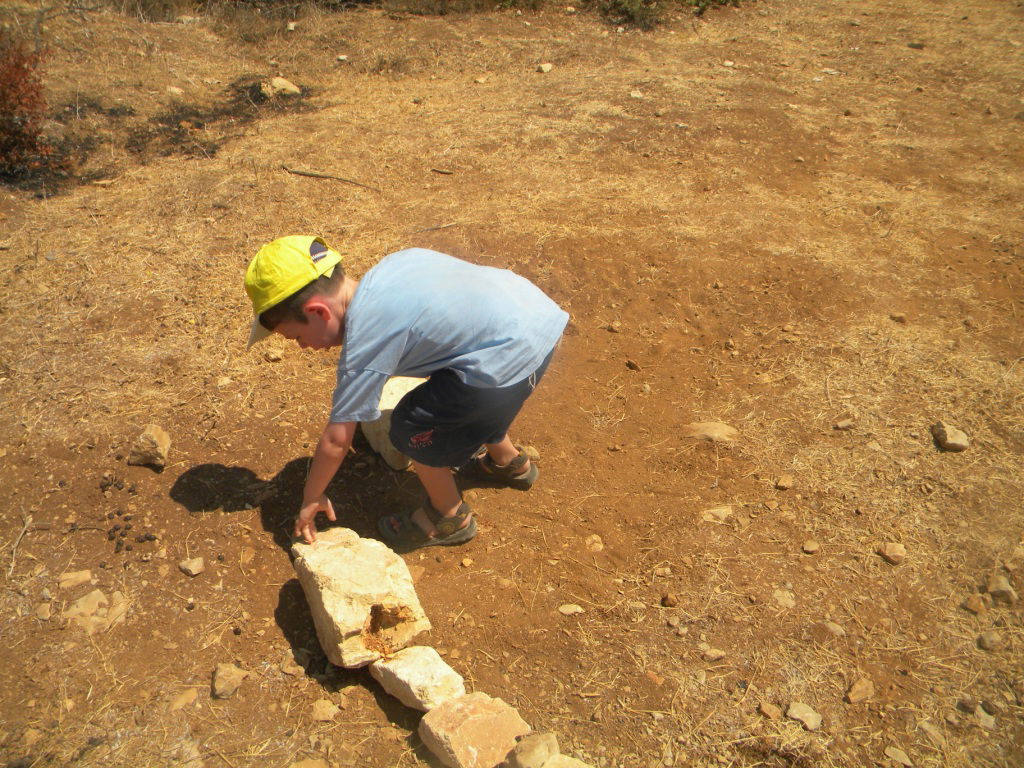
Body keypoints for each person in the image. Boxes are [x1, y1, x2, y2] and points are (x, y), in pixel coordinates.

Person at [244, 235, 568, 550]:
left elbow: (337, 439)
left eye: (295, 336)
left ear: (318, 312)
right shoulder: (395, 265)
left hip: (505, 366)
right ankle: (509, 462)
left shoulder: (364, 343)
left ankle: (448, 515)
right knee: (458, 384)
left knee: (411, 423)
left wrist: (312, 496)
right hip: (536, 324)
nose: (303, 346)